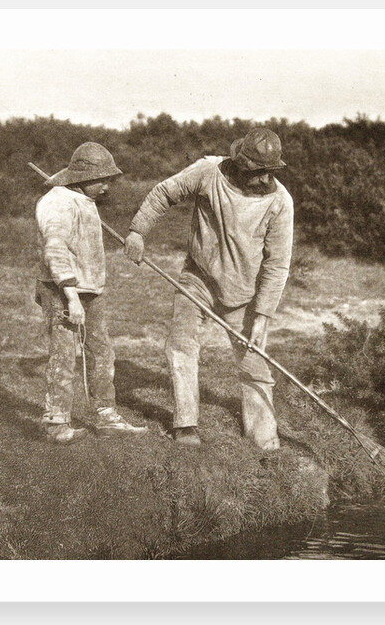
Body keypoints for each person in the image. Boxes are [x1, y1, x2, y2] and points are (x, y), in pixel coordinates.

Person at [124, 127, 294, 451]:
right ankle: (185, 425)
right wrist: (137, 231)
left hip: (244, 293)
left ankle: (264, 439)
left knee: (254, 363)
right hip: (198, 278)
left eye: (269, 172)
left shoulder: (280, 203)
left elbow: (278, 264)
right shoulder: (209, 171)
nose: (262, 179)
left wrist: (263, 316)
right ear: (240, 163)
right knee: (181, 342)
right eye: (256, 172)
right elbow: (164, 193)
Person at [35, 141, 146, 444]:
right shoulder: (56, 203)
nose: (108, 186)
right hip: (62, 289)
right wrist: (71, 298)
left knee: (101, 351)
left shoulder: (83, 200)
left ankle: (105, 414)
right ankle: (56, 423)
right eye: (103, 179)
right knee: (64, 352)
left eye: (110, 179)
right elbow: (55, 250)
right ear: (83, 179)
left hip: (90, 289)